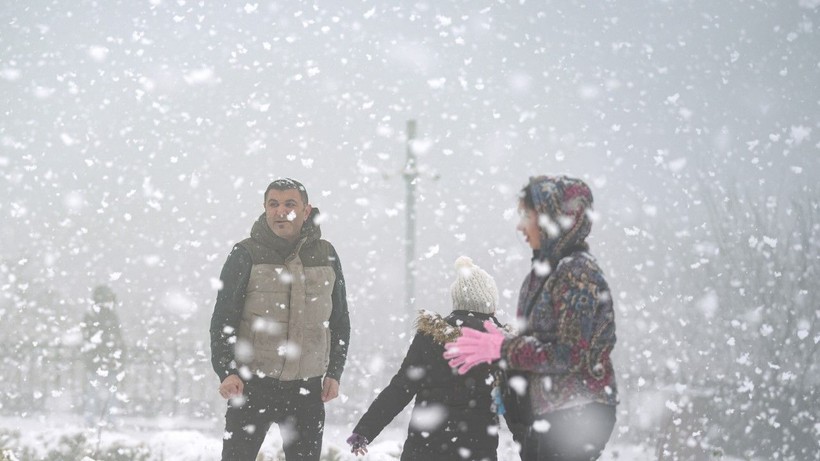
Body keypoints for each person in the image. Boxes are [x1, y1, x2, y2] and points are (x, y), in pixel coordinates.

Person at [444, 175, 618, 461]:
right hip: (550, 412)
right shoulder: (543, 275)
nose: (520, 226)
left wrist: (504, 348)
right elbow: (541, 344)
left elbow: (571, 354)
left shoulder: (576, 274)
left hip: (576, 414)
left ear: (556, 218)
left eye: (527, 215)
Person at [209, 178, 351, 461]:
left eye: (289, 204)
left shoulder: (326, 255)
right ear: (265, 208)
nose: (280, 210)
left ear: (306, 211)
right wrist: (227, 370)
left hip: (306, 389)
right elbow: (223, 319)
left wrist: (334, 371)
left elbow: (339, 319)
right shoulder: (245, 254)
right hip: (252, 386)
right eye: (273, 204)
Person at [346, 256, 506, 461]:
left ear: (456, 302)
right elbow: (516, 405)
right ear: (490, 306)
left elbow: (401, 388)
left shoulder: (430, 338)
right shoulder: (499, 346)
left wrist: (365, 430)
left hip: (426, 448)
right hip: (477, 450)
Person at [80, 284, 127, 427]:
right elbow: (115, 338)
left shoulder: (94, 315)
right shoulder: (106, 316)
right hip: (105, 359)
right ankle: (106, 419)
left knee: (96, 392)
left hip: (101, 359)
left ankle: (96, 419)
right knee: (104, 393)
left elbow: (89, 337)